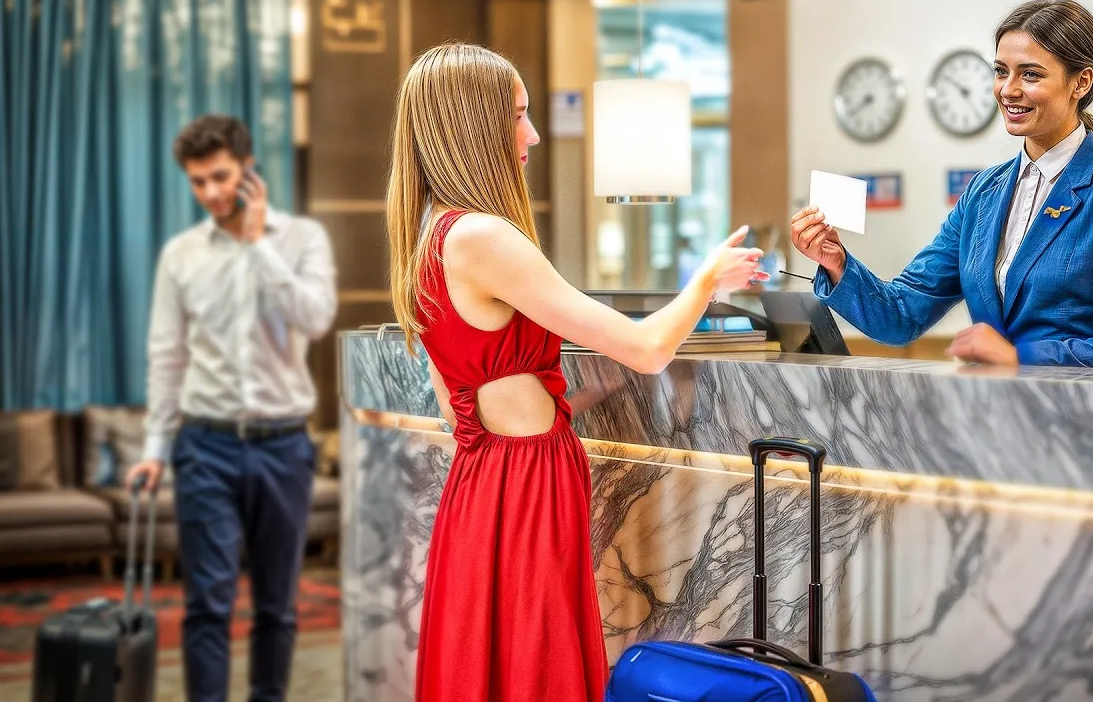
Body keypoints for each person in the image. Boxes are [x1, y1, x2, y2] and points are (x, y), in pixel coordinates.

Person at [384, 43, 766, 702]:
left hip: (483, 485)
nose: (532, 135)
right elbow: (648, 348)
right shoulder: (483, 236)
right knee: (537, 665)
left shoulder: (432, 236)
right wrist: (707, 278)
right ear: (474, 128)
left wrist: (571, 395)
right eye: (518, 115)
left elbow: (458, 405)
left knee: (491, 662)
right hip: (525, 483)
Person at [791, 0, 1093, 369]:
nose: (1008, 89)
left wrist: (1020, 357)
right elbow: (901, 316)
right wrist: (837, 263)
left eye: (1030, 74)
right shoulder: (982, 193)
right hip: (989, 407)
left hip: (1076, 410)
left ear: (1081, 82)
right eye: (1001, 71)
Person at [126, 114, 337, 702]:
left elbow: (317, 318)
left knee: (277, 607)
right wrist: (154, 449)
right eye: (198, 182)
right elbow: (166, 356)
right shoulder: (181, 256)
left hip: (285, 447)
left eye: (220, 176)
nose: (211, 192)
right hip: (206, 447)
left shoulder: (302, 239)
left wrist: (258, 244)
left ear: (248, 169)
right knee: (207, 605)